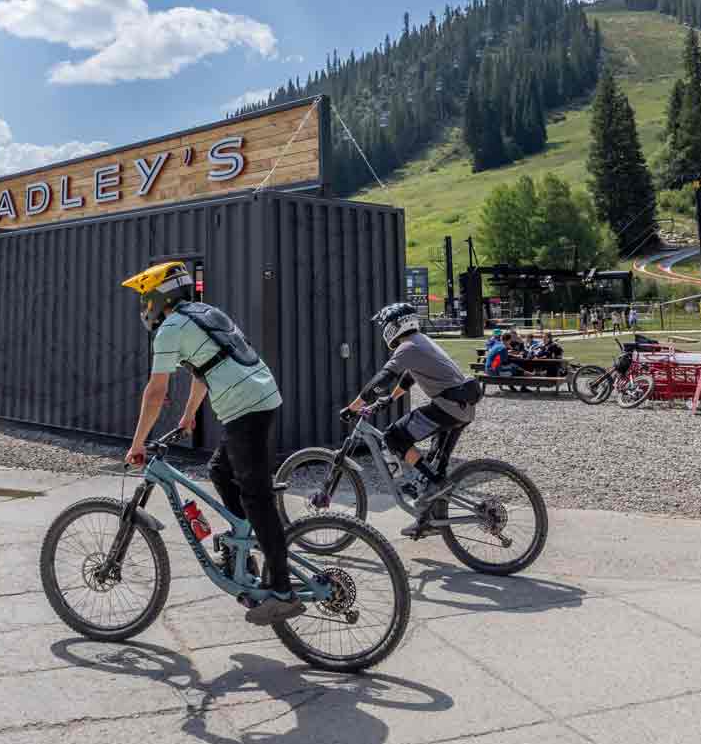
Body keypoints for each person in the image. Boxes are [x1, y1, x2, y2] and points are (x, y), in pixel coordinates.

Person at [121, 261, 302, 626]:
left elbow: (155, 392)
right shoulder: (204, 313)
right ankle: (244, 546)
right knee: (220, 470)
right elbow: (207, 369)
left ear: (159, 297)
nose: (144, 309)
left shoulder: (170, 328)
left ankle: (282, 591)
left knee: (256, 495)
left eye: (145, 300)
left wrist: (138, 442)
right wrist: (188, 415)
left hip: (245, 408)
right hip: (261, 396)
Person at [344, 302, 483, 504]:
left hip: (447, 408)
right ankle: (431, 516)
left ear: (395, 325)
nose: (384, 329)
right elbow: (410, 377)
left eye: (385, 325)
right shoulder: (421, 340)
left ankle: (436, 484)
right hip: (463, 409)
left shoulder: (408, 347)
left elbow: (382, 379)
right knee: (434, 464)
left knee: (393, 437)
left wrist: (352, 407)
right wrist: (391, 398)